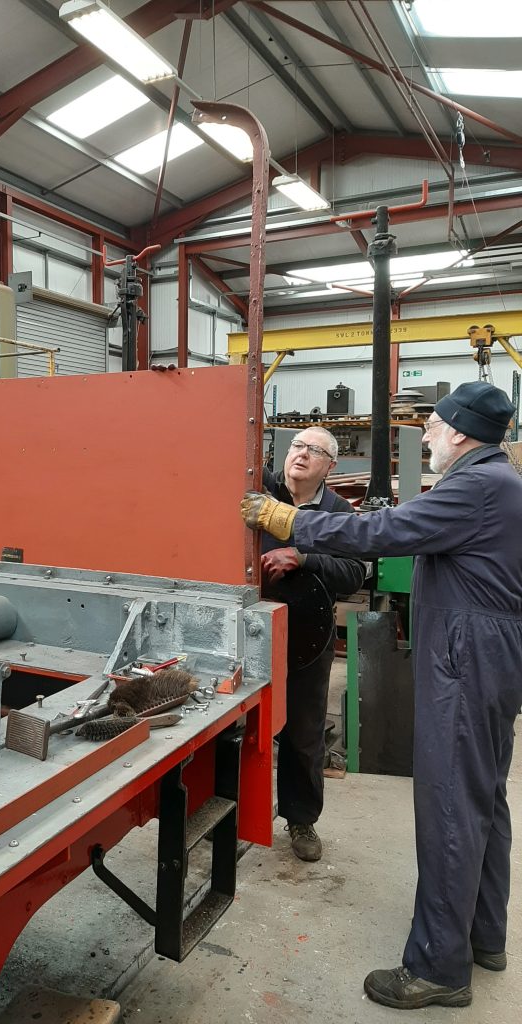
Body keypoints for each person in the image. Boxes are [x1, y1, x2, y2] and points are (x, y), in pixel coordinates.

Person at [241, 381, 522, 1010]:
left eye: (432, 427)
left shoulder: (476, 485)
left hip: (466, 656)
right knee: (481, 798)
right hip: (487, 653)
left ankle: (438, 968)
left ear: (459, 432)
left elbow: (387, 532)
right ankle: (483, 936)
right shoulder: (495, 482)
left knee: (450, 804)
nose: (422, 435)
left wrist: (287, 521)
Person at [262, 427, 365, 862]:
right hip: (251, 626)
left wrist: (304, 557)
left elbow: (355, 573)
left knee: (303, 733)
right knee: (237, 726)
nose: (301, 455)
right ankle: (230, 809)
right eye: (297, 446)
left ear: (330, 466)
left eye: (314, 451)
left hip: (309, 634)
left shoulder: (340, 512)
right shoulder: (259, 489)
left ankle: (300, 818)